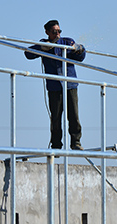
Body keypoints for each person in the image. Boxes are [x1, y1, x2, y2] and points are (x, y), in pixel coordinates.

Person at [25, 20, 86, 150]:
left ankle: (76, 142)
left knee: (73, 115)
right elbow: (28, 53)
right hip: (54, 87)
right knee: (56, 117)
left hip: (70, 85)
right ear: (47, 32)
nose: (57, 34)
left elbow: (81, 57)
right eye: (54, 32)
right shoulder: (44, 43)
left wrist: (79, 50)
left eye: (59, 31)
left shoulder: (67, 42)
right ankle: (56, 145)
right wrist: (41, 48)